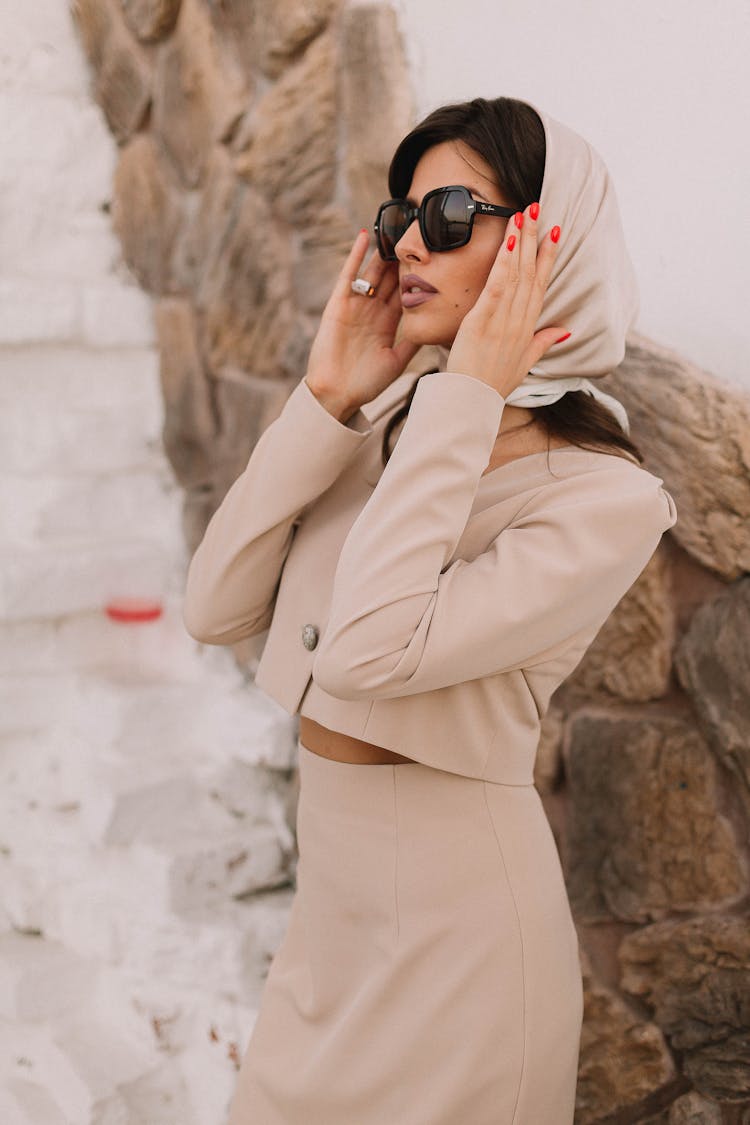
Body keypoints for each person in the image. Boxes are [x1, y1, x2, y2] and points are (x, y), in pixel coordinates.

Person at [183, 96, 677, 1125]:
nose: (409, 240)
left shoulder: (605, 498)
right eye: (399, 213)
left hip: (463, 948)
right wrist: (328, 398)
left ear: (549, 241)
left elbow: (368, 651)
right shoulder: (395, 427)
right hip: (331, 928)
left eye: (450, 213)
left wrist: (467, 397)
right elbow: (214, 604)